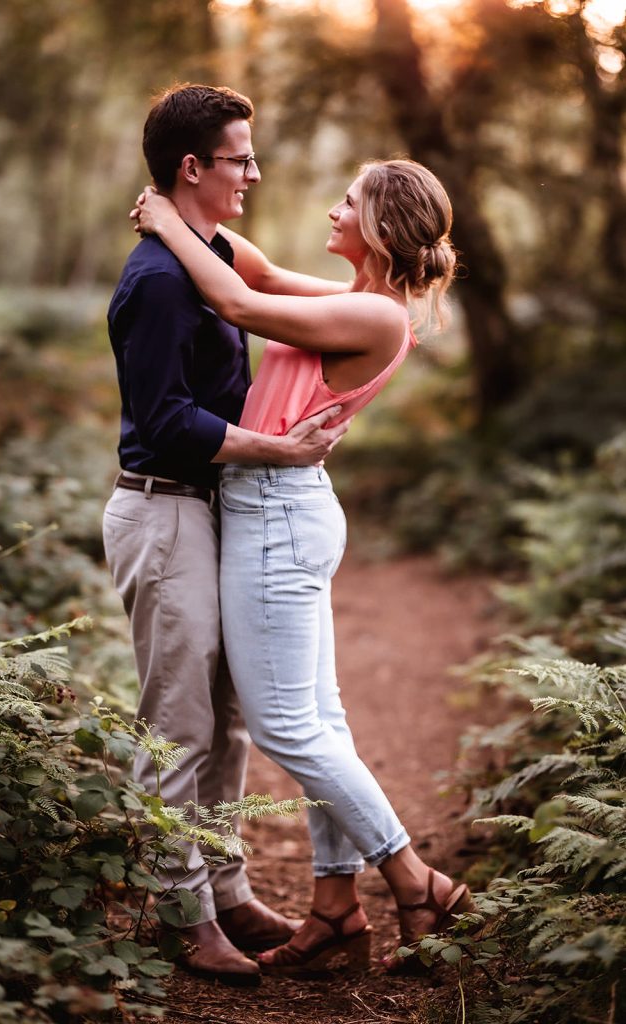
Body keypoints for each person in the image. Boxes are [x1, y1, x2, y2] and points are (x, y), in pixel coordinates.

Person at [133, 156, 476, 974]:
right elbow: (253, 267)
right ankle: (334, 904)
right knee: (319, 723)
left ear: (382, 227)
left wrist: (161, 222)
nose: (332, 208)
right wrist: (186, 211)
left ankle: (412, 878)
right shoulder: (356, 300)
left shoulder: (376, 318)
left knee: (288, 725)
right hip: (280, 508)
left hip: (276, 517)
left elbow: (235, 300)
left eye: (348, 202)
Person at [103, 83, 353, 988]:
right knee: (178, 722)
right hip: (164, 507)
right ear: (192, 167)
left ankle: (227, 888)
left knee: (232, 718)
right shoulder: (163, 281)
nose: (253, 170)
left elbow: (270, 294)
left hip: (207, 511)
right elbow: (167, 421)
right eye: (240, 156)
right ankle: (182, 916)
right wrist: (278, 453)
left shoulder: (203, 253)